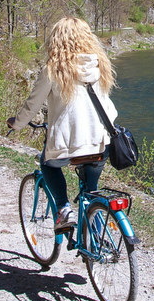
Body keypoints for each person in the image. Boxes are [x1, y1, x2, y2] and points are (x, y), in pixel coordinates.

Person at [8, 16, 118, 232]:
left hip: (67, 146)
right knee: (90, 189)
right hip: (100, 143)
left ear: (56, 39)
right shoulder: (99, 66)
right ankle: (95, 235)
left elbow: (32, 106)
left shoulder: (53, 70)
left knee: (47, 164)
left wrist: (17, 124)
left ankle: (63, 209)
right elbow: (109, 109)